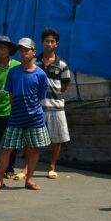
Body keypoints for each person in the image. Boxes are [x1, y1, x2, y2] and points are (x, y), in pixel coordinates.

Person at [0, 38, 50, 192]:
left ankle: (29, 179)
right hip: (15, 117)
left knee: (34, 149)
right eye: (21, 50)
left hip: (35, 118)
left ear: (33, 52)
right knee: (6, 149)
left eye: (27, 50)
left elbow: (40, 97)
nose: (23, 53)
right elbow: (11, 95)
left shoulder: (41, 74)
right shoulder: (13, 72)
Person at [35, 27, 72, 179]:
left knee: (57, 138)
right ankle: (27, 168)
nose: (49, 44)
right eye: (46, 41)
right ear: (42, 43)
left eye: (52, 42)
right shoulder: (35, 62)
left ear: (56, 44)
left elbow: (64, 85)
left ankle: (52, 166)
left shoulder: (62, 64)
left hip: (56, 107)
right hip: (37, 107)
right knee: (32, 138)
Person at [0, 35, 20, 179]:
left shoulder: (17, 66)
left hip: (12, 112)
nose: (2, 49)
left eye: (5, 47)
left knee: (12, 143)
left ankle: (9, 169)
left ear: (9, 49)